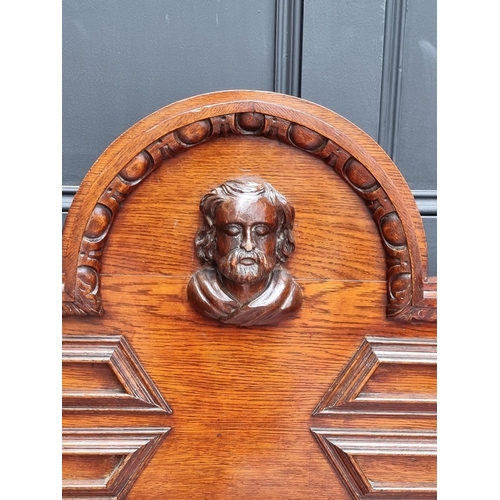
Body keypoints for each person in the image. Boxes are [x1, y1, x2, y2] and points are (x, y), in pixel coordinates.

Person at [187, 176, 303, 327]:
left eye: (261, 232)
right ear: (212, 238)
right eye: (232, 231)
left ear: (280, 239)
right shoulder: (201, 293)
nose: (248, 245)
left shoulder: (287, 298)